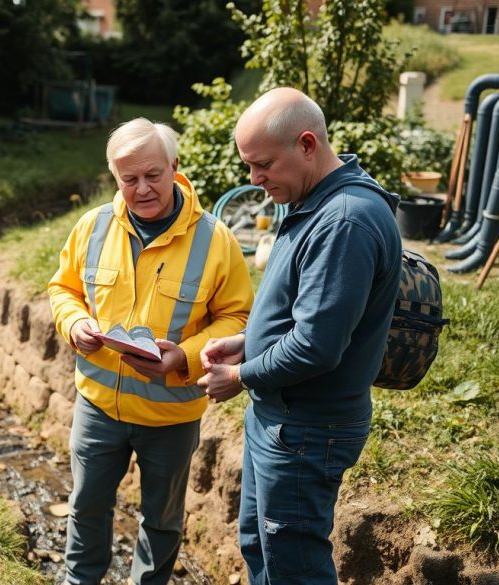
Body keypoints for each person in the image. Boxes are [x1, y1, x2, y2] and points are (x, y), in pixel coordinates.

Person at [198, 88, 402, 585]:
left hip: (305, 431)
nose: (255, 179)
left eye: (263, 164)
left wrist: (242, 374)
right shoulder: (314, 197)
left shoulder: (345, 221)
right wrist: (249, 341)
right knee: (261, 547)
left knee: (294, 567)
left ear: (307, 144)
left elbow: (316, 345)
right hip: (281, 420)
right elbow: (305, 312)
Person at [48, 118, 253, 584]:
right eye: (128, 178)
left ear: (174, 166)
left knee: (161, 522)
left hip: (171, 418)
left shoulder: (215, 240)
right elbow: (64, 288)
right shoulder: (92, 227)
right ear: (115, 178)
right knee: (86, 507)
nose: (141, 189)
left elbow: (237, 318)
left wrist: (182, 356)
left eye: (152, 175)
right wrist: (74, 321)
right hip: (98, 407)